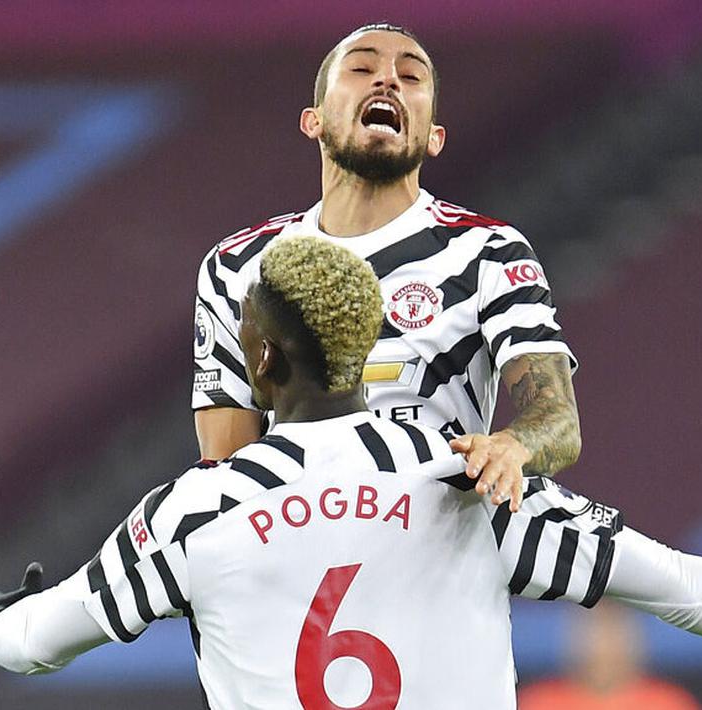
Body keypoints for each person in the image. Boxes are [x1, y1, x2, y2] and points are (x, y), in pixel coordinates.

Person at [0, 238, 702, 708]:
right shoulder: (459, 478)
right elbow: (666, 582)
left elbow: (39, 641)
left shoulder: (199, 510)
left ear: (262, 363)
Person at [193, 23, 580, 512]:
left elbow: (558, 419)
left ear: (434, 137)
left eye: (411, 76)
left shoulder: (488, 252)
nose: (388, 80)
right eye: (361, 67)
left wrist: (512, 446)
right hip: (299, 552)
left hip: (436, 550)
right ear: (313, 120)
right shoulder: (238, 265)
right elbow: (226, 472)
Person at [518, 601, 702, 710]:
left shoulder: (669, 703)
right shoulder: (538, 702)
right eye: (594, 628)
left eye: (613, 629)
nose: (603, 644)